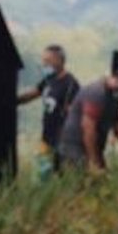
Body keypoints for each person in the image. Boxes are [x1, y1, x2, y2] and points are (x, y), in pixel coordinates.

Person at [57, 66, 118, 174]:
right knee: (83, 180)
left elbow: (117, 125)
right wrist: (93, 162)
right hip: (75, 147)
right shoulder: (96, 93)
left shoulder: (113, 96)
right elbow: (88, 129)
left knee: (101, 178)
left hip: (92, 147)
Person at [16, 44, 81, 180]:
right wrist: (12, 101)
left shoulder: (71, 84)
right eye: (43, 60)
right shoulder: (48, 79)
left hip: (63, 141)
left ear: (59, 61)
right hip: (46, 139)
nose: (44, 64)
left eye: (47, 61)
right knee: (40, 178)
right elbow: (33, 93)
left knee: (63, 177)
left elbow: (74, 114)